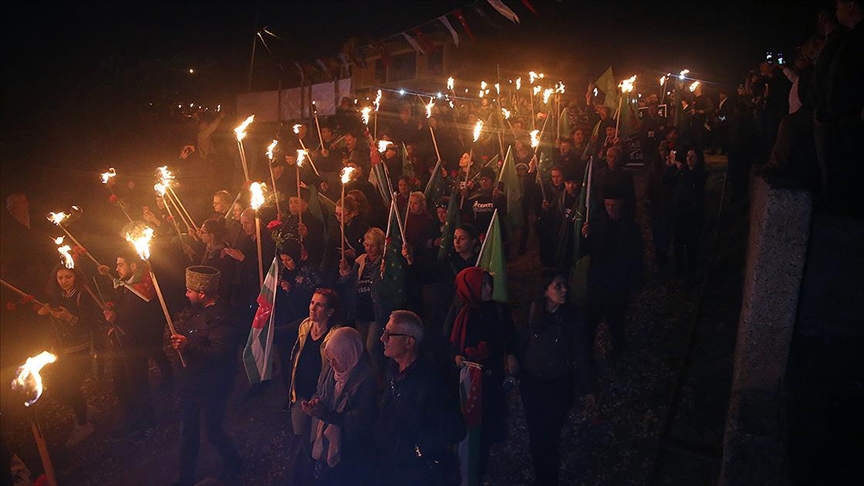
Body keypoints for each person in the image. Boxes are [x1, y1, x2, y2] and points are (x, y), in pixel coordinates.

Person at [518, 270, 595, 486]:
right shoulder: (532, 312)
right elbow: (521, 342)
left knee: (550, 435)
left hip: (559, 386)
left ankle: (549, 479)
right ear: (545, 290)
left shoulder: (572, 317)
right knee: (536, 434)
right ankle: (541, 476)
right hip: (533, 385)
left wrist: (587, 386)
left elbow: (581, 352)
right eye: (557, 286)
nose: (564, 290)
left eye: (565, 285)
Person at [169, 266, 244, 486]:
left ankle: (233, 463)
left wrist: (187, 346)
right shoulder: (200, 310)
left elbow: (218, 354)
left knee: (212, 430)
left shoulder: (222, 317)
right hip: (192, 385)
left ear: (202, 293)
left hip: (213, 386)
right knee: (188, 434)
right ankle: (185, 478)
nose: (186, 294)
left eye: (189, 290)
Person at [373, 310, 465, 486]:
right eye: (384, 331)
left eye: (390, 334)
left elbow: (455, 428)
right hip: (389, 467)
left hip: (416, 473)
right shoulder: (392, 370)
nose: (382, 338)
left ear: (409, 342)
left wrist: (417, 450)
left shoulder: (430, 381)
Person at [448, 267, 518, 483]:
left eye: (489, 284)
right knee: (467, 427)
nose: (488, 288)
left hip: (491, 379)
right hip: (466, 381)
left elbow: (511, 337)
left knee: (485, 426)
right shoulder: (461, 312)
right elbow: (448, 340)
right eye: (483, 284)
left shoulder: (498, 310)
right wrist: (457, 357)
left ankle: (478, 470)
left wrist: (512, 357)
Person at [299, 327, 378, 485]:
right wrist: (316, 401)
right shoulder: (330, 369)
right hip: (323, 441)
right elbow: (320, 391)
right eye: (330, 358)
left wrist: (324, 414)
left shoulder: (365, 381)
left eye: (336, 358)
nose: (331, 363)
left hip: (349, 451)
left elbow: (359, 422)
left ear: (349, 355)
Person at [98, 249, 162, 440]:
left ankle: (149, 421)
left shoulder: (143, 287)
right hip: (120, 343)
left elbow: (140, 317)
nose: (116, 268)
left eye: (120, 264)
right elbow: (119, 296)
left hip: (136, 344)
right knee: (120, 384)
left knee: (137, 384)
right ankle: (132, 421)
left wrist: (117, 318)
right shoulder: (127, 284)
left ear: (133, 266)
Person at [38, 265, 100, 447]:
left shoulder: (83, 295)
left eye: (68, 277)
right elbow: (55, 326)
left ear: (75, 277)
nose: (64, 281)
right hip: (63, 351)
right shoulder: (59, 297)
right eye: (60, 278)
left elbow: (90, 324)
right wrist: (45, 314)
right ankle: (84, 408)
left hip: (81, 351)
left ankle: (83, 424)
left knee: (71, 387)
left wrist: (69, 318)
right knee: (54, 387)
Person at [581, 184, 644, 357]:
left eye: (614, 205)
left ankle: (619, 349)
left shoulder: (630, 227)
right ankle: (586, 352)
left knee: (616, 319)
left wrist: (635, 281)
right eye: (608, 205)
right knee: (590, 320)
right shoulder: (598, 222)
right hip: (598, 281)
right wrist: (585, 236)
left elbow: (636, 256)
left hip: (617, 283)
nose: (610, 209)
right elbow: (588, 250)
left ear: (621, 204)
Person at [338, 228, 406, 388]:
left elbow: (392, 284)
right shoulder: (362, 261)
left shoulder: (385, 263)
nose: (368, 249)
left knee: (372, 346)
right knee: (362, 347)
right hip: (361, 307)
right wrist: (345, 270)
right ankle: (366, 380)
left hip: (376, 310)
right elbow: (349, 280)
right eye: (367, 245)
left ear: (380, 246)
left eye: (372, 246)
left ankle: (379, 380)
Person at [286, 289, 343, 434]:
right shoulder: (304, 325)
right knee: (298, 432)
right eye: (312, 302)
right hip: (300, 392)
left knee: (316, 437)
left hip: (320, 396)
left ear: (330, 312)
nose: (313, 307)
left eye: (319, 305)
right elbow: (280, 333)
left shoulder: (336, 336)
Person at [272, 235, 322, 394]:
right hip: (285, 319)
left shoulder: (309, 271)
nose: (286, 263)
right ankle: (287, 391)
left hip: (301, 321)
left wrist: (291, 289)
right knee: (284, 357)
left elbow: (313, 298)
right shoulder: (283, 273)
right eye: (283, 260)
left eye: (288, 260)